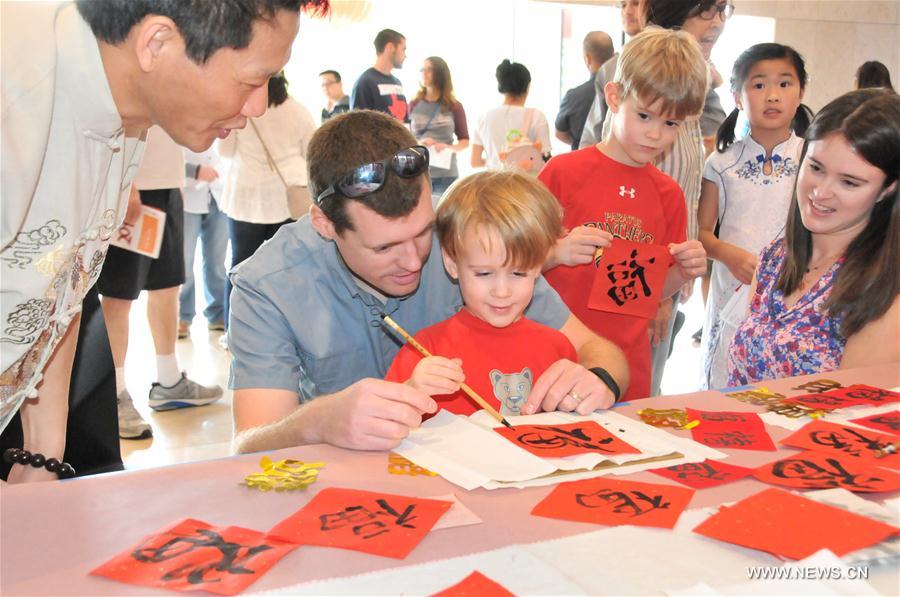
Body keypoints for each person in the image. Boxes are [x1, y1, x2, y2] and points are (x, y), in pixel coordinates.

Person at [1, 0, 323, 483]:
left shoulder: (122, 108)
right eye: (253, 81)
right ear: (157, 43)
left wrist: (40, 456)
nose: (258, 107)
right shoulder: (19, 96)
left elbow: (59, 287)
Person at [228, 110, 630, 454]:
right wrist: (317, 422)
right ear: (325, 224)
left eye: (422, 232)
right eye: (384, 248)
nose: (413, 260)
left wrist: (597, 379)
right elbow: (247, 446)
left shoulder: (468, 237)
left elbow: (600, 351)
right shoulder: (268, 286)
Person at [539, 28, 709, 402]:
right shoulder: (562, 174)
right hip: (555, 353)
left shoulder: (668, 195)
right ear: (614, 97)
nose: (655, 135)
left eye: (670, 124)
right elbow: (515, 263)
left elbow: (646, 293)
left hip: (627, 363)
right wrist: (557, 252)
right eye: (645, 116)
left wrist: (681, 271)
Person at [728, 89, 899, 385]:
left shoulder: (884, 291)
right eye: (816, 168)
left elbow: (848, 414)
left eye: (849, 182)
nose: (820, 192)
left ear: (888, 188)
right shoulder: (775, 258)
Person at [385, 171, 578, 416]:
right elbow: (387, 427)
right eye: (484, 274)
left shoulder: (558, 348)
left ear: (538, 267)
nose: (502, 291)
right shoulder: (425, 350)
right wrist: (412, 389)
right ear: (452, 264)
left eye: (518, 274)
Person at [698, 43, 813, 390]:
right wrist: (728, 255)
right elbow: (702, 234)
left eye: (784, 84)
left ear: (801, 92)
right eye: (759, 85)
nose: (772, 96)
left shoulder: (812, 158)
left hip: (792, 285)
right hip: (732, 284)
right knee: (724, 381)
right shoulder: (720, 163)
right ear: (736, 96)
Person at [98, 127, 223, 440]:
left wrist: (174, 183)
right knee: (118, 297)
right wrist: (127, 187)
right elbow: (117, 124)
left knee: (168, 287)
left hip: (166, 188)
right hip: (133, 191)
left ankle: (169, 382)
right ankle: (112, 395)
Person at [218, 72, 317, 334]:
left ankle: (234, 331)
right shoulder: (297, 110)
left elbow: (225, 152)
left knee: (240, 266)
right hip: (288, 200)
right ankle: (289, 331)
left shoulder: (240, 110)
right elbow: (312, 152)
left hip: (248, 198)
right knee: (288, 269)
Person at [179, 146, 230, 340]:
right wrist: (196, 170)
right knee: (184, 263)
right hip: (188, 197)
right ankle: (183, 316)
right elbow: (169, 157)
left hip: (220, 195)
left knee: (217, 264)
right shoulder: (179, 118)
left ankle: (218, 314)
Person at [470, 60, 551, 171]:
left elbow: (475, 161)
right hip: (525, 183)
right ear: (527, 87)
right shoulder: (537, 116)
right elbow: (545, 158)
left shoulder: (484, 117)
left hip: (494, 182)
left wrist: (495, 162)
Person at [410, 56, 469, 200]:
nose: (424, 73)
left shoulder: (454, 106)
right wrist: (419, 142)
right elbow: (406, 134)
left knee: (443, 218)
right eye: (422, 69)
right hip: (418, 172)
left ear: (440, 73)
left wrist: (447, 147)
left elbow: (464, 141)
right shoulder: (413, 103)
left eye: (429, 70)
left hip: (446, 174)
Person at [555, 31, 615, 151]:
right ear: (613, 55)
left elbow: (560, 133)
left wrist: (579, 142)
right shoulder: (622, 92)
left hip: (580, 158)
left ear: (587, 59)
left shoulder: (573, 96)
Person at [350, 28, 408, 121]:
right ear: (391, 47)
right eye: (403, 49)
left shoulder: (397, 82)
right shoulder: (365, 82)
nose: (405, 55)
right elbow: (358, 124)